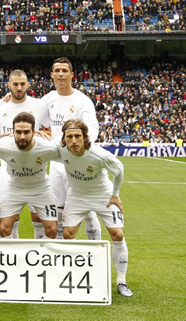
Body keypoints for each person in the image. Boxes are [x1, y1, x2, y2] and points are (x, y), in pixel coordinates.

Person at [58, 118, 133, 297]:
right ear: (64, 138)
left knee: (118, 234)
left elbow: (119, 169)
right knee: (68, 234)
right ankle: (75, 275)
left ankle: (121, 280)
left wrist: (115, 194)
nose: (74, 141)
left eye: (78, 136)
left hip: (103, 196)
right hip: (76, 196)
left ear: (85, 137)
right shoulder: (60, 149)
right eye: (69, 137)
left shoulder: (99, 154)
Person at [0, 69, 51, 239]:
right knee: (9, 221)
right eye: (15, 84)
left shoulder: (39, 105)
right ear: (9, 85)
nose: (19, 87)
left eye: (22, 84)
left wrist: (46, 135)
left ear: (28, 84)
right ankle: (14, 259)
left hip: (35, 170)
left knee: (39, 218)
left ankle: (39, 255)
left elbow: (52, 129)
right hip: (8, 171)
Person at [41, 57, 102, 240]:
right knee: (58, 207)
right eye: (57, 71)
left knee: (87, 208)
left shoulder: (82, 100)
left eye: (64, 71)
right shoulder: (47, 99)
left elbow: (92, 127)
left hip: (78, 161)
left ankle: (95, 252)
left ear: (72, 75)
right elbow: (31, 117)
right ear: (52, 75)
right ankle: (63, 253)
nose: (60, 74)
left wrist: (79, 149)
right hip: (57, 162)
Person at [0, 112, 59, 238]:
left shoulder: (47, 147)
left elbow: (69, 154)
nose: (22, 136)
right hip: (14, 190)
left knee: (52, 230)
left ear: (34, 132)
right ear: (13, 132)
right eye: (18, 132)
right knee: (4, 229)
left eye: (26, 132)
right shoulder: (3, 146)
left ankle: (41, 256)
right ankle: (13, 257)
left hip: (41, 190)